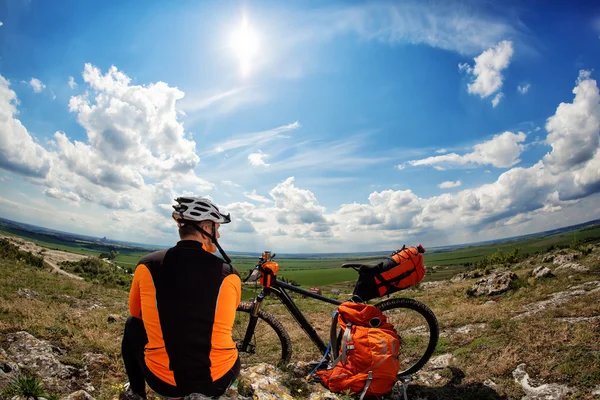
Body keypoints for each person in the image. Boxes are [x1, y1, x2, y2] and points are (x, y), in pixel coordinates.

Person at [120, 197, 241, 399]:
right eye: (216, 228)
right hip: (217, 380)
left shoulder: (147, 265)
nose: (218, 234)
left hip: (164, 382)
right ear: (205, 227)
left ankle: (137, 391)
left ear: (179, 225)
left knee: (133, 324)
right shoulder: (229, 274)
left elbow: (136, 312)